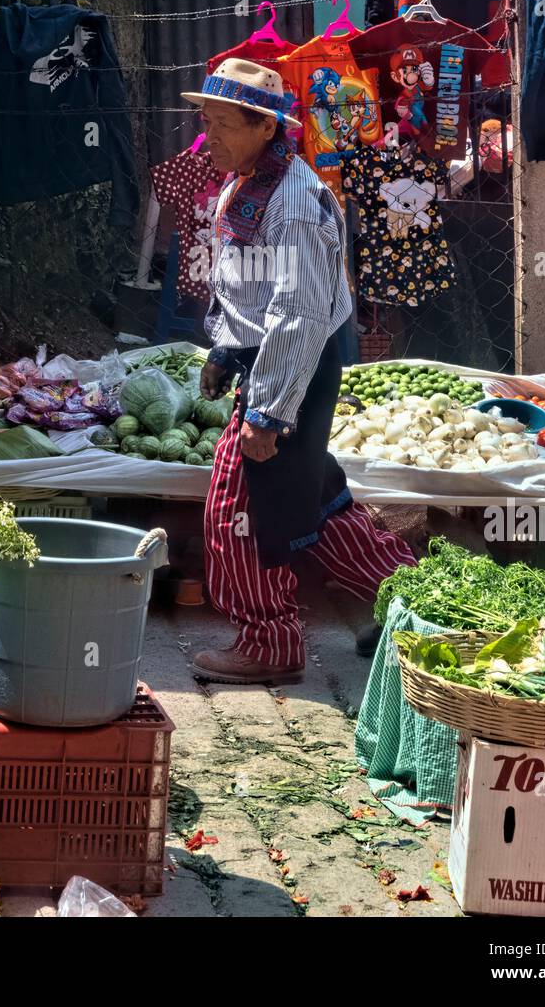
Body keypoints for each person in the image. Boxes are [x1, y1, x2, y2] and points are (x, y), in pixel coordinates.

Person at [180, 57, 416, 684]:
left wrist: (266, 415)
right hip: (273, 363)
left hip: (294, 371)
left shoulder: (296, 204)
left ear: (265, 127)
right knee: (315, 497)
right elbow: (255, 292)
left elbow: (298, 315)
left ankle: (269, 643)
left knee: (236, 508)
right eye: (206, 121)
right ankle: (414, 605)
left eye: (224, 124)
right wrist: (228, 349)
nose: (211, 136)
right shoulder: (249, 180)